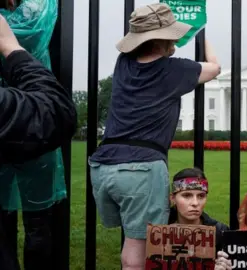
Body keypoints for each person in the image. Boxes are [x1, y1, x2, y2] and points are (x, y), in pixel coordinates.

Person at [88, 3, 221, 270]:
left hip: (103, 166)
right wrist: (202, 33)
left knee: (130, 239)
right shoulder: (174, 70)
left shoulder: (123, 63)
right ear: (165, 37)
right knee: (139, 246)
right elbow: (215, 68)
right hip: (141, 169)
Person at [0, 11, 76, 270]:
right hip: (32, 130)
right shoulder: (38, 18)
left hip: (15, 119)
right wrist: (11, 46)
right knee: (39, 222)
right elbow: (55, 112)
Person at [162, 167, 231, 270]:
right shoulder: (159, 229)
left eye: (201, 196)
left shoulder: (220, 232)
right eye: (187, 195)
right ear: (173, 198)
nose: (195, 203)